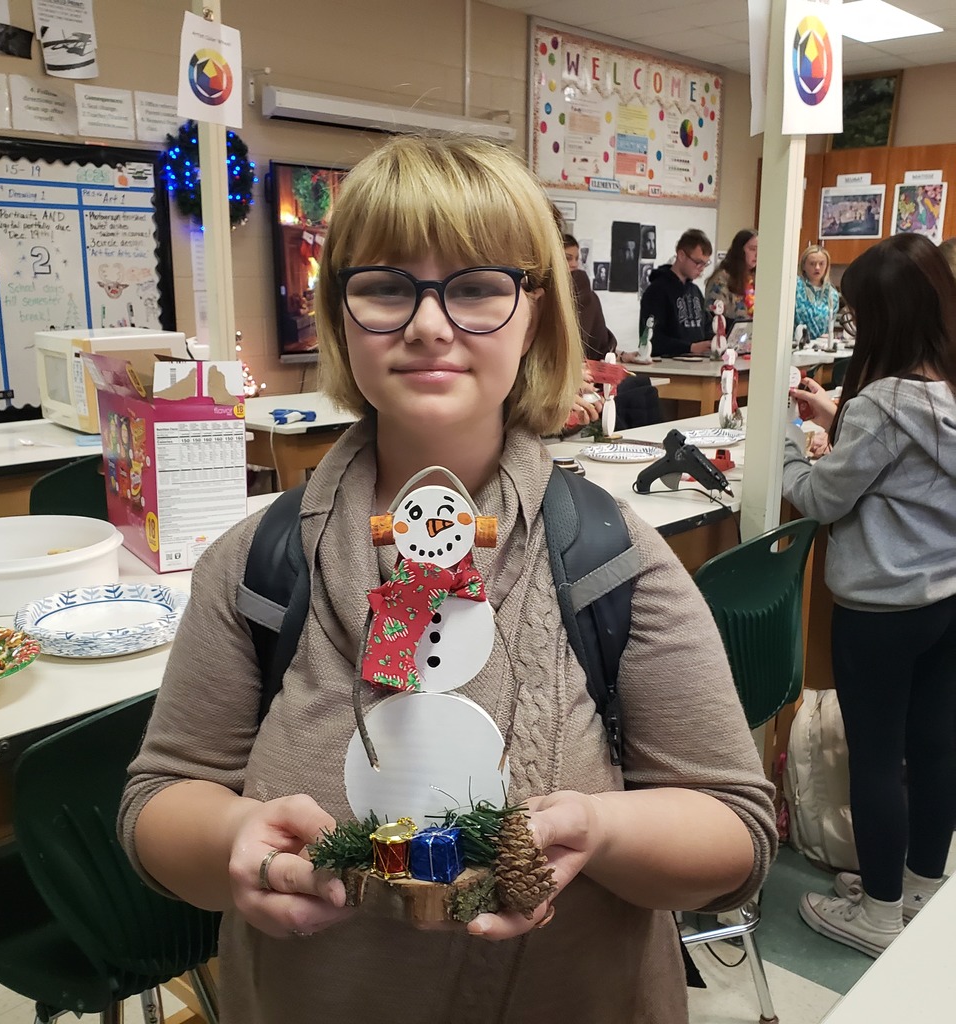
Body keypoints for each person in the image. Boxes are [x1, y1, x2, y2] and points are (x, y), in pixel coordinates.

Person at [118, 136, 776, 1023]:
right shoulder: (256, 565)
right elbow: (160, 800)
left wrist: (605, 828)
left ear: (535, 313)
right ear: (341, 313)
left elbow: (736, 832)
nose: (429, 324)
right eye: (387, 287)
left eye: (476, 287)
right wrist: (233, 841)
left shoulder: (611, 556)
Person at [782, 232, 956, 958]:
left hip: (880, 610)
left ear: (884, 319)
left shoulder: (883, 402)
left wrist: (793, 443)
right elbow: (903, 477)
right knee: (937, 746)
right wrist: (839, 420)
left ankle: (876, 915)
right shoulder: (944, 392)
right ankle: (916, 889)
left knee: (876, 756)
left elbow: (823, 497)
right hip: (945, 599)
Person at [638, 228, 714, 357]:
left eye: (705, 264)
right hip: (669, 367)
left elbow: (706, 327)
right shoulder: (657, 291)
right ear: (681, 255)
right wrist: (690, 348)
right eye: (698, 262)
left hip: (698, 365)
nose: (701, 269)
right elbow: (652, 340)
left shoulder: (695, 291)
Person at [562, 232, 616, 361]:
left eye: (576, 258)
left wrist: (622, 355)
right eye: (568, 258)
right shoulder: (542, 293)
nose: (574, 264)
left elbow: (598, 340)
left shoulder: (585, 291)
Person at [705, 229, 757, 327]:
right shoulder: (721, 278)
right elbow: (712, 317)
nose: (757, 254)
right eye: (752, 249)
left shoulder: (755, 278)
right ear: (740, 250)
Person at [794, 244, 840, 341]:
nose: (817, 267)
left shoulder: (832, 295)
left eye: (821, 263)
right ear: (803, 266)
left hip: (819, 346)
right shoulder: (795, 287)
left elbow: (830, 325)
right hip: (794, 345)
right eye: (812, 264)